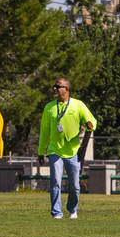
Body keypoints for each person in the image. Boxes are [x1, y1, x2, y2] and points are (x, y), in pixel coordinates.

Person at [38, 78, 96, 220]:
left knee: (75, 186)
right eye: (54, 86)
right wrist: (41, 151)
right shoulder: (49, 107)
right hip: (54, 150)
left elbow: (91, 120)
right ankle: (57, 213)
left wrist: (90, 124)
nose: (55, 88)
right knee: (55, 182)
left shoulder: (78, 105)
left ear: (66, 89)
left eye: (58, 86)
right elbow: (44, 131)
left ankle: (72, 209)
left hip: (72, 151)